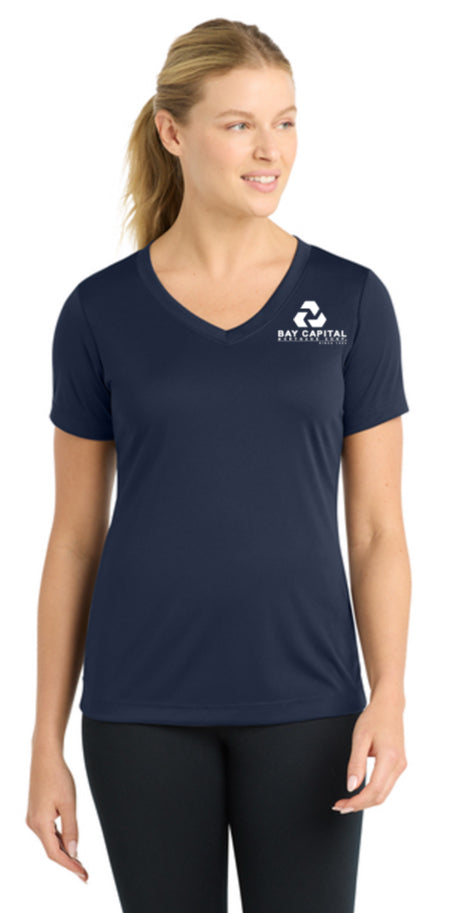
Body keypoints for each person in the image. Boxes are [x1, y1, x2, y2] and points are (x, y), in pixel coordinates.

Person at [25, 17, 411, 913]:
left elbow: (377, 528)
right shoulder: (98, 312)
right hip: (139, 708)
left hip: (310, 703)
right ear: (173, 130)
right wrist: (46, 740)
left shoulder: (351, 299)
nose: (271, 150)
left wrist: (390, 694)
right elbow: (74, 538)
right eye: (239, 124)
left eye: (286, 121)